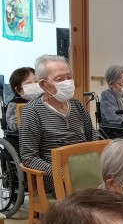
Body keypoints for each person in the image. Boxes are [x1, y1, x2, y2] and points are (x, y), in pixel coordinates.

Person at [19, 54, 97, 191]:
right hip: (55, 178)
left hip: (86, 172)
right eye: (60, 79)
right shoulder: (32, 111)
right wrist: (62, 174)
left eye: (69, 77)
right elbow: (29, 157)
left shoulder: (77, 105)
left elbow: (93, 137)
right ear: (44, 84)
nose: (67, 82)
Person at [6, 66, 41, 132]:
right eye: (29, 83)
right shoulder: (14, 104)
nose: (34, 85)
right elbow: (14, 125)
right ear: (17, 88)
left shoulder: (43, 100)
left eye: (36, 81)